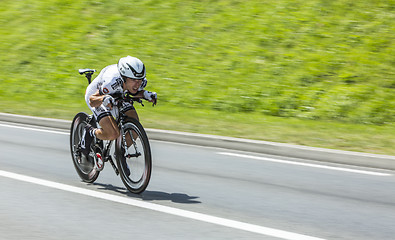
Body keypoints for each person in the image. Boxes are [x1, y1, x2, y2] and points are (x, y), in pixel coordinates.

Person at [81, 56, 157, 157]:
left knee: (135, 126)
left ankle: (120, 153)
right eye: (133, 80)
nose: (137, 84)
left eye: (139, 80)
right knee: (113, 133)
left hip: (118, 94)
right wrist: (103, 99)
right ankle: (90, 132)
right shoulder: (111, 82)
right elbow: (92, 100)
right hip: (97, 95)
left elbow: (133, 92)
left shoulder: (140, 82)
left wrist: (145, 94)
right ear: (124, 78)